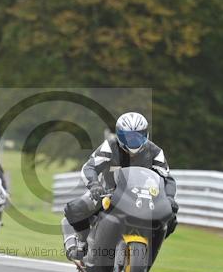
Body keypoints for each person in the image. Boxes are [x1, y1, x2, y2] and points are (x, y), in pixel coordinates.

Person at [61, 112, 179, 261]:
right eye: (127, 136)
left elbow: (167, 178)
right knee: (75, 208)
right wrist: (95, 186)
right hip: (107, 193)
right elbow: (89, 167)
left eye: (138, 136)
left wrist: (169, 198)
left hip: (142, 197)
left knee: (170, 217)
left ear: (146, 134)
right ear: (119, 135)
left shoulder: (155, 152)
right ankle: (81, 243)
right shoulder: (110, 146)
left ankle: (150, 247)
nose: (133, 140)